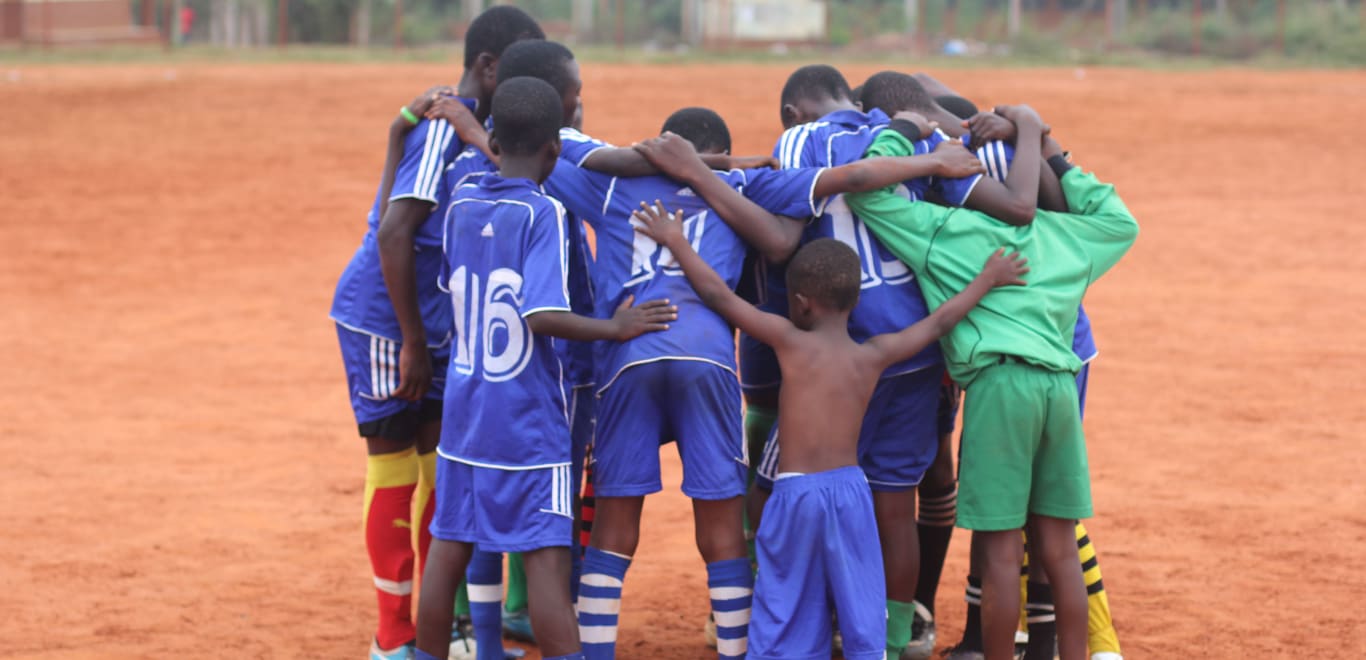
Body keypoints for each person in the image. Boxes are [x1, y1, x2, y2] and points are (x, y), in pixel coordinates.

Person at [631, 200, 1028, 660]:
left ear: (800, 302)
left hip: (796, 495)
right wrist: (987, 279)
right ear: (855, 301)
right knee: (860, 599)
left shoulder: (788, 340)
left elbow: (720, 296)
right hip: (852, 493)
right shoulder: (873, 354)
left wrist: (677, 240)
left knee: (785, 595)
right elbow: (939, 321)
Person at [844, 107, 1139, 660]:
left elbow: (866, 191)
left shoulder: (945, 229)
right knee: (1058, 547)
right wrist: (1045, 141)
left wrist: (906, 134)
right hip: (1058, 388)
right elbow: (1119, 220)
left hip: (1000, 389)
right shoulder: (1067, 235)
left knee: (1000, 549)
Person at [413, 76, 678, 660]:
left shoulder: (461, 202)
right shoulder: (546, 213)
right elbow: (542, 314)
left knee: (447, 548)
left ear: (495, 140)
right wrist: (616, 327)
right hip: (528, 426)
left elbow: (453, 292)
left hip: (465, 411)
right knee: (548, 572)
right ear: (555, 152)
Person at [329, 8, 544, 660]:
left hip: (437, 323)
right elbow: (395, 232)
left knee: (436, 474)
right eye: (520, 69)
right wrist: (413, 343)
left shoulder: (470, 129)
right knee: (397, 469)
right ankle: (391, 639)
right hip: (389, 321)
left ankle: (435, 625)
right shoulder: (442, 133)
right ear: (486, 68)